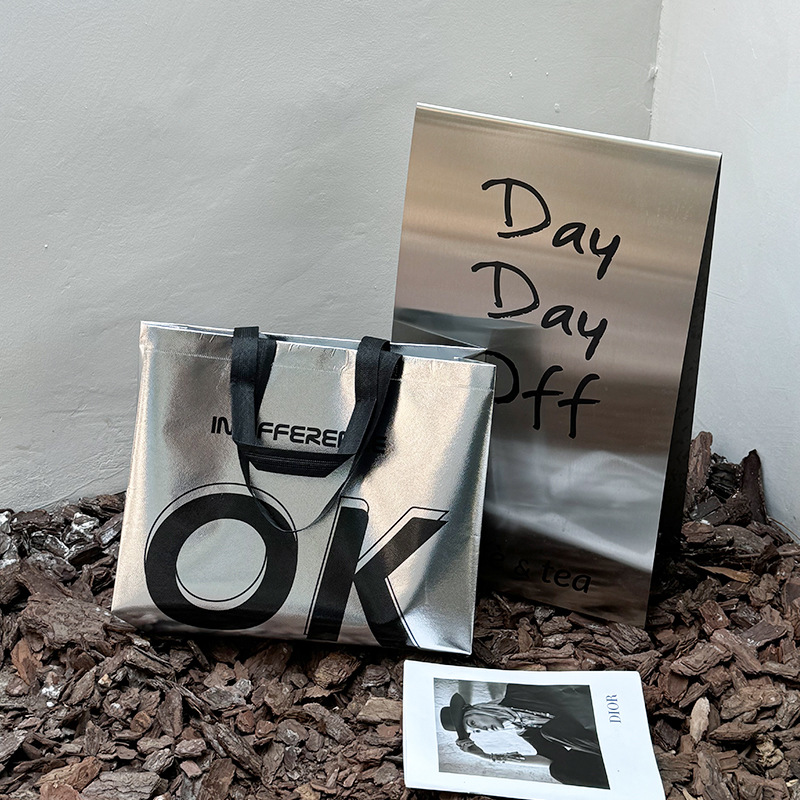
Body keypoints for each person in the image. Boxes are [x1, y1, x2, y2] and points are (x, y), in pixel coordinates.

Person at [440, 684, 609, 789]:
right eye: (476, 732)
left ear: (476, 708)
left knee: (550, 731)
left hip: (599, 710)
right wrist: (487, 756)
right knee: (560, 771)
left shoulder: (518, 690)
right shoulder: (525, 730)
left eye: (472, 722)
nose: (481, 729)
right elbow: (551, 760)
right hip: (599, 743)